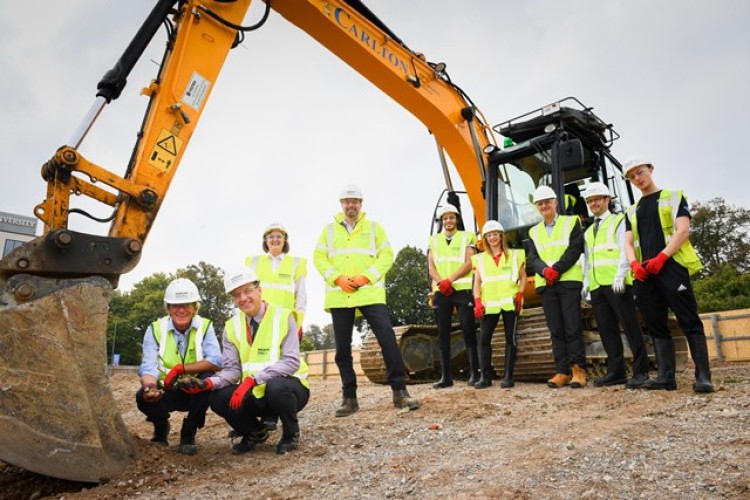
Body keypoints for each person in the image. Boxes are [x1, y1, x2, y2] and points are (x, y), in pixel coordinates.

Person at [314, 184, 419, 417]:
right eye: (347, 201)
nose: (351, 205)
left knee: (388, 340)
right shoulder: (328, 230)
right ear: (341, 204)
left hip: (369, 292)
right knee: (342, 349)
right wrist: (337, 279)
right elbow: (319, 258)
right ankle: (349, 399)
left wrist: (366, 276)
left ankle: (400, 392)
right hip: (340, 295)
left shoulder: (374, 228)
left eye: (355, 201)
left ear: (361, 204)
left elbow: (387, 256)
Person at [185, 267, 310, 454]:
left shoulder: (284, 316)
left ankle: (291, 433)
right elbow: (232, 370)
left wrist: (254, 379)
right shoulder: (231, 327)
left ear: (259, 290)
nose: (243, 298)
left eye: (247, 291)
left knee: (276, 386)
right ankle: (254, 431)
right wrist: (207, 383)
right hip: (255, 392)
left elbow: (291, 361)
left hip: (288, 390)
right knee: (217, 398)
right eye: (236, 295)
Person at [623, 159, 714, 393]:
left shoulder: (673, 197)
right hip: (645, 273)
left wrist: (662, 257)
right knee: (655, 325)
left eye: (640, 173)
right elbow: (628, 242)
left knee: (689, 321)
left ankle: (703, 376)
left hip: (671, 267)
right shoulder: (632, 210)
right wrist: (634, 264)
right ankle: (665, 377)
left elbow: (683, 230)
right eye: (632, 177)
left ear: (650, 171)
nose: (638, 179)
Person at [135, 278, 222, 455]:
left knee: (208, 381)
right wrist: (150, 387)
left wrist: (181, 370)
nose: (181, 310)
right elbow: (148, 366)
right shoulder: (155, 328)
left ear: (195, 307)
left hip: (193, 391)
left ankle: (189, 431)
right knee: (141, 397)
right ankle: (160, 428)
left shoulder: (205, 326)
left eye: (186, 305)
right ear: (168, 308)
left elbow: (216, 361)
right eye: (175, 305)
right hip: (166, 390)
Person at [581, 182, 650, 389]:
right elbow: (589, 259)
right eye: (590, 201)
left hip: (617, 283)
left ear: (606, 200)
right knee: (607, 329)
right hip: (597, 285)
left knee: (629, 325)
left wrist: (621, 273)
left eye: (597, 199)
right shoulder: (588, 231)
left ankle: (641, 371)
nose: (593, 203)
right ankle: (616, 372)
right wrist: (586, 283)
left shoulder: (619, 221)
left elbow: (624, 248)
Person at [246, 222, 307, 431]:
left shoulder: (296, 264)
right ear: (265, 241)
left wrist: (298, 322)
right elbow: (247, 290)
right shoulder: (253, 262)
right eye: (270, 236)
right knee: (260, 362)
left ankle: (273, 414)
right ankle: (262, 411)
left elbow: (301, 295)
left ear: (285, 241)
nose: (275, 239)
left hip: (285, 323)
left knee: (281, 365)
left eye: (279, 236)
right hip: (259, 319)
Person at [526, 185, 587, 388]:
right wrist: (545, 271)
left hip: (567, 281)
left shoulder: (571, 222)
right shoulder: (533, 231)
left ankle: (578, 370)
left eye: (547, 202)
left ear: (555, 203)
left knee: (572, 326)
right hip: (546, 284)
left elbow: (575, 248)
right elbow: (532, 257)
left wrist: (557, 269)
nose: (544, 206)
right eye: (540, 204)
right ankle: (562, 371)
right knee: (556, 329)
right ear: (537, 207)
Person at [427, 204, 478, 388]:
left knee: (468, 329)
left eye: (451, 217)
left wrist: (451, 280)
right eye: (445, 218)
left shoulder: (467, 236)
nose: (448, 221)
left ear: (457, 219)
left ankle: (474, 373)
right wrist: (442, 283)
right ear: (442, 221)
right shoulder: (433, 240)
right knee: (443, 334)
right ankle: (446, 377)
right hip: (442, 291)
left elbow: (470, 261)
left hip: (462, 289)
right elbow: (431, 267)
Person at [472, 220, 526, 388]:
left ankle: (508, 377)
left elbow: (523, 276)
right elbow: (477, 283)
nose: (492, 238)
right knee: (484, 339)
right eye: (489, 235)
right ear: (485, 239)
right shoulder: (480, 259)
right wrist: (478, 301)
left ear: (501, 236)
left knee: (510, 338)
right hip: (490, 303)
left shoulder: (515, 255)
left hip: (510, 301)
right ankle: (485, 378)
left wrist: (520, 293)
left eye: (495, 234)